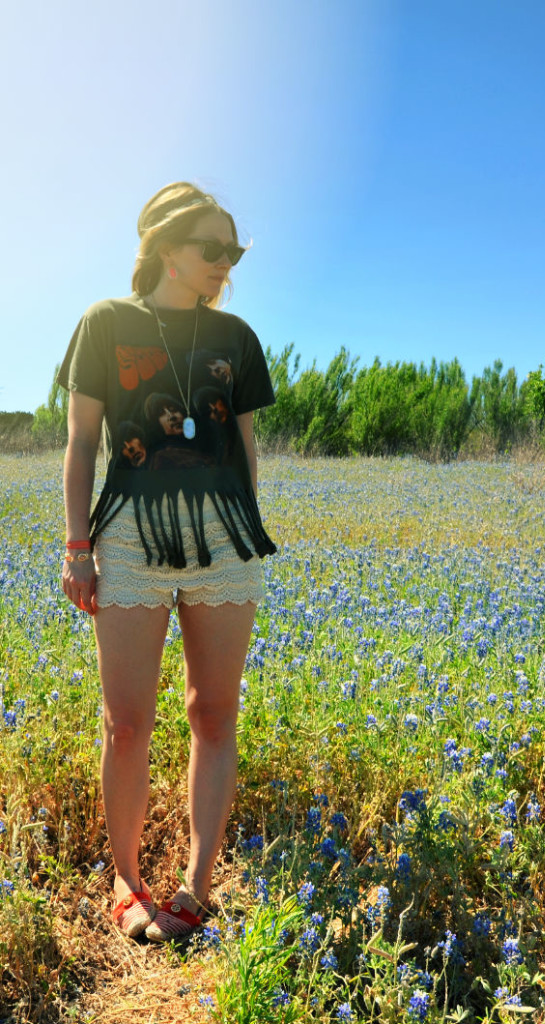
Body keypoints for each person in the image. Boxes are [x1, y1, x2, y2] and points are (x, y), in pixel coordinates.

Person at [59, 182, 277, 941]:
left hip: (224, 538)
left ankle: (195, 884)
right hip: (128, 536)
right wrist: (77, 546)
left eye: (234, 251)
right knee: (128, 723)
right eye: (211, 249)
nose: (226, 263)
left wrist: (244, 531)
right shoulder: (106, 323)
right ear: (164, 247)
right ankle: (126, 882)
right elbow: (82, 441)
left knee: (213, 712)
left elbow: (247, 447)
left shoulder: (237, 336)